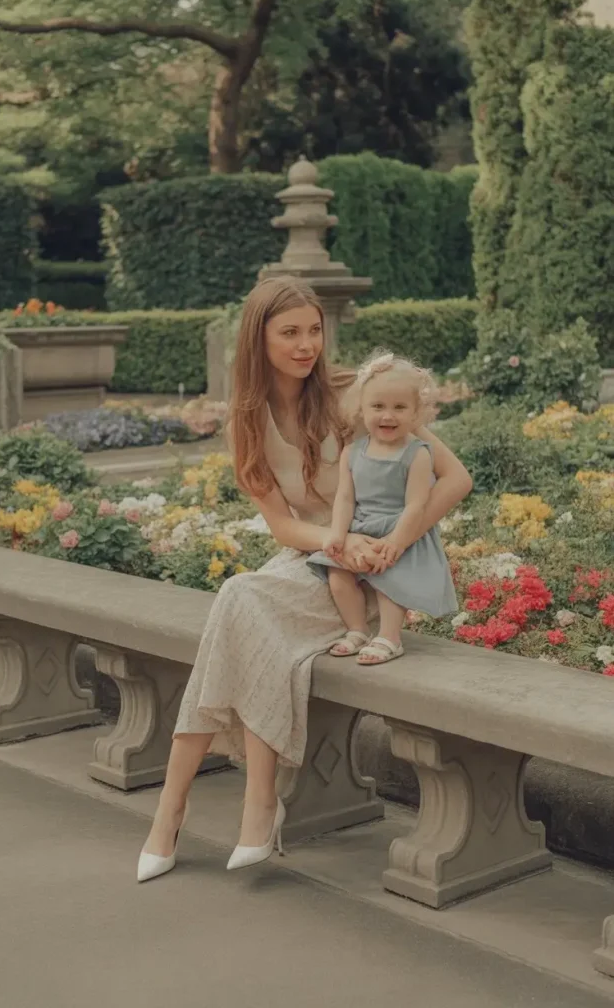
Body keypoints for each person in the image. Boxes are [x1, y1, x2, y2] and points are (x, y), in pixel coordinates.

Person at [137, 276, 472, 883]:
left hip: (379, 573)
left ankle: (199, 809)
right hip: (320, 556)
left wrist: (392, 543)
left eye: (314, 330)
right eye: (289, 333)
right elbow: (283, 526)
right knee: (242, 601)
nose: (306, 345)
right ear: (258, 339)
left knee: (241, 603)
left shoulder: (356, 394)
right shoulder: (246, 421)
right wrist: (338, 542)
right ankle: (210, 806)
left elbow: (455, 478)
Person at [306, 351, 458, 666]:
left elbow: (416, 504)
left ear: (416, 413)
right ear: (361, 409)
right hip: (361, 527)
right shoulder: (352, 452)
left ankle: (390, 637)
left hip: (398, 528)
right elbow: (345, 498)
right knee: (337, 573)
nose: (388, 416)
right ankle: (357, 629)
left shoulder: (417, 453)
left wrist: (396, 542)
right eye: (378, 407)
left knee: (390, 577)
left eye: (399, 407)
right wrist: (338, 534)